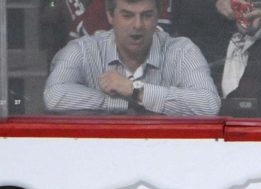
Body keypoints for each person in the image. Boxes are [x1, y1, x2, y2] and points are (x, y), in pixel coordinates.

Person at [43, 0, 220, 115]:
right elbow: (54, 95)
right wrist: (122, 103)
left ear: (158, 16)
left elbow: (208, 104)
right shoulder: (82, 50)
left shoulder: (182, 51)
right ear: (110, 16)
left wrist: (135, 91)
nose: (138, 25)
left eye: (147, 15)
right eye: (127, 15)